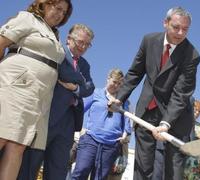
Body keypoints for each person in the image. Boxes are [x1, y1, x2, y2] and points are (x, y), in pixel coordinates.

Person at [109, 6, 200, 180]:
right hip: (147, 112)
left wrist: (166, 123)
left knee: (173, 171)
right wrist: (119, 98)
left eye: (185, 29)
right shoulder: (149, 41)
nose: (180, 33)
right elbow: (135, 73)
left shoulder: (192, 55)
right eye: (176, 27)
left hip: (176, 117)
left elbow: (181, 93)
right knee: (143, 168)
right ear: (165, 23)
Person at [0, 0, 72, 179]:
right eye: (57, 8)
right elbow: (1, 42)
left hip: (39, 96)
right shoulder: (28, 19)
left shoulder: (54, 35)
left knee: (18, 146)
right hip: (17, 86)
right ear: (44, 4)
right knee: (2, 135)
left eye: (64, 12)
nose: (60, 14)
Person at [18, 23, 95, 180]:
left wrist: (75, 88)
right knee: (30, 165)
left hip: (69, 121)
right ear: (68, 39)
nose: (83, 47)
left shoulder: (85, 65)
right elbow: (65, 73)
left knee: (58, 169)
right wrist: (79, 81)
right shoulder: (57, 52)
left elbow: (90, 88)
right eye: (81, 42)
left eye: (87, 44)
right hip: (47, 115)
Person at [71, 69, 132, 180]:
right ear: (108, 79)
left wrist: (125, 133)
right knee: (80, 171)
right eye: (114, 81)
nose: (116, 85)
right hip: (91, 140)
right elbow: (80, 109)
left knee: (100, 177)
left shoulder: (124, 101)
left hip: (111, 145)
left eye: (119, 84)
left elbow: (127, 118)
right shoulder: (95, 93)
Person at [153, 98, 200, 180]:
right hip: (164, 147)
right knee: (158, 175)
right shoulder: (177, 110)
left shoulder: (197, 126)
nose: (197, 112)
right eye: (196, 109)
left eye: (199, 112)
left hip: (181, 154)